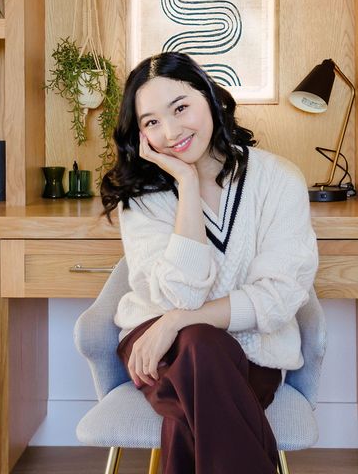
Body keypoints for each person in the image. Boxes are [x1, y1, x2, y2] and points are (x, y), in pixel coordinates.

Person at [100, 52, 319, 474]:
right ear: (141, 134)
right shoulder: (144, 197)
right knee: (200, 346)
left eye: (181, 108)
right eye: (151, 122)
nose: (171, 132)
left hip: (251, 351)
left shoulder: (278, 180)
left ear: (210, 98)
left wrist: (176, 321)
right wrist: (185, 185)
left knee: (201, 356)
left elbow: (276, 298)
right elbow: (178, 293)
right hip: (156, 350)